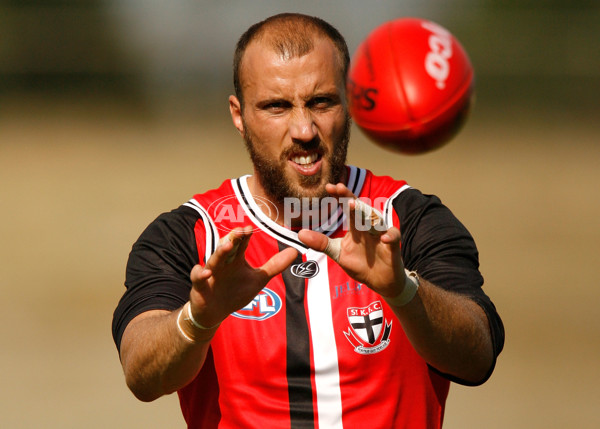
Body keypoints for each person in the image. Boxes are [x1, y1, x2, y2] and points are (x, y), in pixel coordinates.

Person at [112, 12, 504, 428]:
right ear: (239, 115)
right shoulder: (189, 234)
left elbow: (477, 357)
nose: (304, 129)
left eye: (321, 102)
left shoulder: (408, 218)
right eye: (276, 106)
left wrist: (404, 292)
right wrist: (199, 318)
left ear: (348, 103)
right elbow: (141, 374)